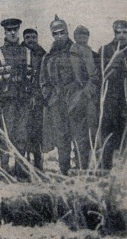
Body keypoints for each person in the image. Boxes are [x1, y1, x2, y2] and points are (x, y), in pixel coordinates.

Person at [40, 15, 99, 174]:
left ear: (67, 32)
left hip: (76, 98)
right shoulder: (48, 56)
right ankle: (64, 171)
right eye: (55, 33)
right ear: (52, 35)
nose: (59, 36)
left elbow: (93, 78)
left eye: (62, 32)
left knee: (80, 138)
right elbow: (44, 82)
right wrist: (51, 98)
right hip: (57, 101)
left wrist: (83, 97)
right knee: (61, 138)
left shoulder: (80, 51)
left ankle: (82, 171)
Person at [0, 18, 40, 177]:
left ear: (18, 32)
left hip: (23, 100)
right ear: (4, 32)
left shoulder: (28, 52)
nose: (12, 33)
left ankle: (20, 168)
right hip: (6, 101)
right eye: (9, 30)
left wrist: (33, 95)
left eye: (15, 30)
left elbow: (35, 77)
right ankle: (4, 169)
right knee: (5, 134)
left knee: (21, 135)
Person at [99, 20, 127, 169]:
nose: (121, 35)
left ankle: (125, 171)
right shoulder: (105, 50)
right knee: (107, 135)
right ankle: (105, 170)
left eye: (125, 32)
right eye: (118, 32)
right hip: (109, 100)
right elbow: (100, 75)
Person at [22, 28, 46, 170]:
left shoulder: (42, 53)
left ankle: (38, 164)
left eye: (33, 37)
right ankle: (24, 164)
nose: (31, 40)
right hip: (23, 99)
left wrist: (37, 96)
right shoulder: (20, 54)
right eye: (28, 37)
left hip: (38, 101)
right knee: (23, 132)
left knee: (37, 132)